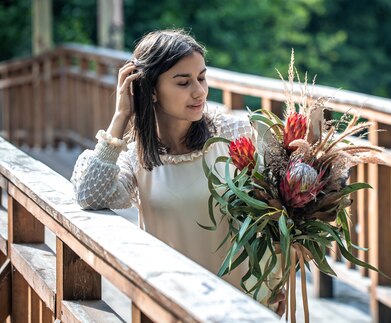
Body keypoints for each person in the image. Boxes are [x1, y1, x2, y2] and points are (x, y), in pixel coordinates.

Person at [71, 29, 284, 315]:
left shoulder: (233, 134)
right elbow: (88, 194)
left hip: (243, 303)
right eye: (183, 82)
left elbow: (277, 207)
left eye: (201, 77)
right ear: (151, 90)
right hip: (171, 304)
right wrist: (121, 116)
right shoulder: (137, 157)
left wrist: (274, 281)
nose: (199, 91)